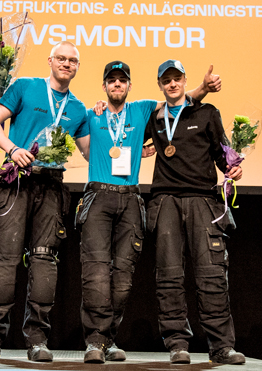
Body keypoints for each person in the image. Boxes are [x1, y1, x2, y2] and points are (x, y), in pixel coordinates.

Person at [76, 60, 221, 363]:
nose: (116, 85)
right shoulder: (91, 115)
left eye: (122, 80)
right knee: (97, 274)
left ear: (129, 86)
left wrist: (205, 89)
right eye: (111, 81)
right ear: (104, 86)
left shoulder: (143, 110)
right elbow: (84, 148)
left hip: (130, 198)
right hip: (99, 196)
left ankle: (109, 339)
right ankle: (94, 341)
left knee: (124, 278)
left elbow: (179, 100)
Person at [0, 41, 90, 362]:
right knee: (3, 262)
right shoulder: (25, 87)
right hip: (15, 182)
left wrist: (121, 139)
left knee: (44, 263)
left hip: (51, 188)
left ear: (78, 67)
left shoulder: (79, 109)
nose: (67, 64)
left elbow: (91, 153)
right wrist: (13, 149)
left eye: (73, 61)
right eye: (61, 58)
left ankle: (38, 340)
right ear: (50, 61)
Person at [144, 59, 245, 365]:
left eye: (177, 79)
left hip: (203, 200)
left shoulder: (207, 113)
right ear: (160, 85)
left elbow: (221, 152)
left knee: (212, 275)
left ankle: (221, 346)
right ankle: (177, 344)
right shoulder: (155, 117)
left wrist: (232, 167)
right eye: (166, 81)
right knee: (169, 276)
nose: (172, 84)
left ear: (185, 81)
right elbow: (127, 127)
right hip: (166, 202)